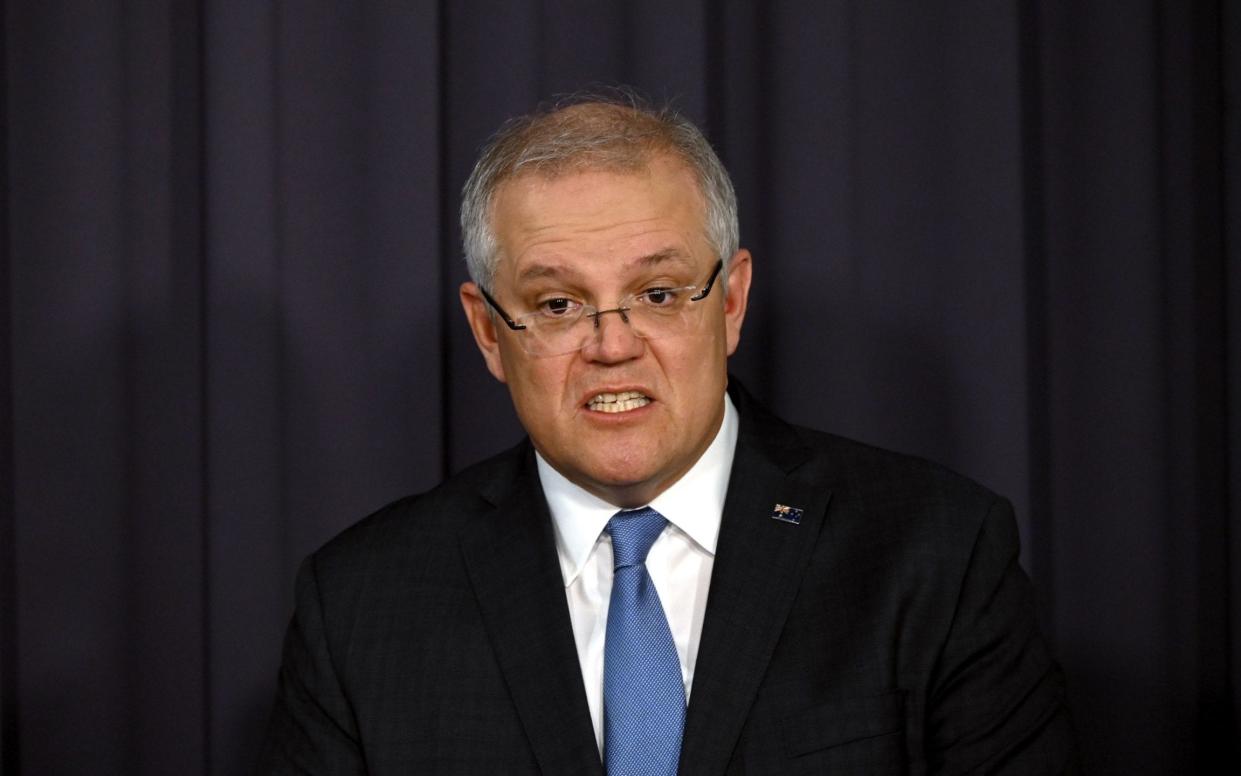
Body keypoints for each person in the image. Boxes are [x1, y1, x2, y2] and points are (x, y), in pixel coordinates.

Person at [259, 94, 1076, 775]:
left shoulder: (934, 553)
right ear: (487, 333)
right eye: (557, 305)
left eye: (656, 293)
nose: (612, 346)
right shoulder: (361, 604)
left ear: (729, 302)